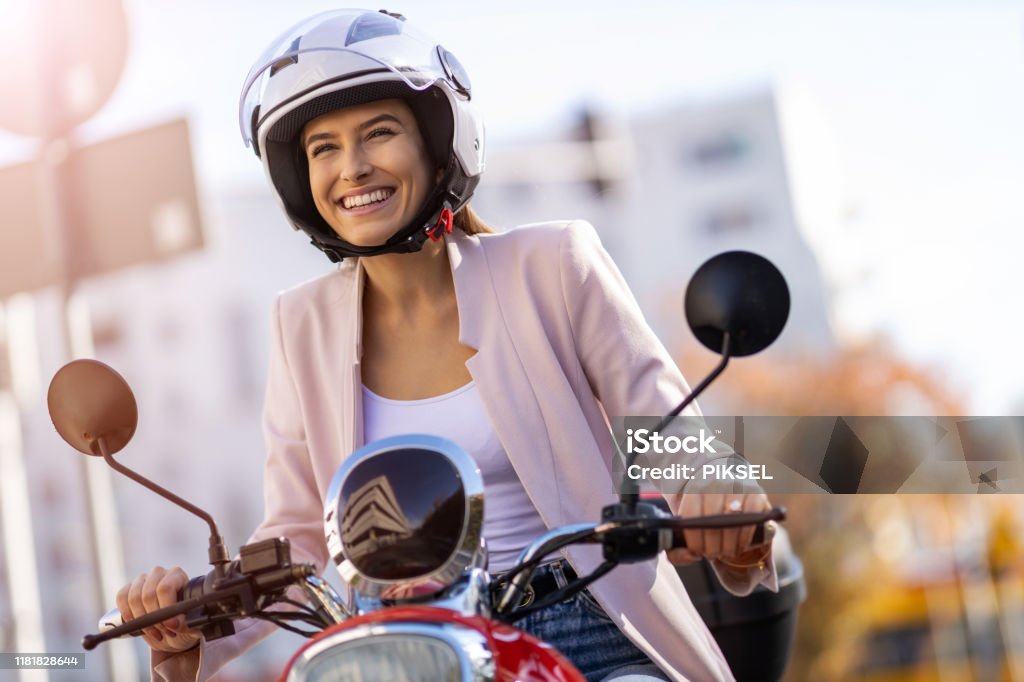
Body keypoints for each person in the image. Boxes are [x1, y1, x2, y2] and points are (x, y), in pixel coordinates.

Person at [117, 9, 778, 682]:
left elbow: (669, 436)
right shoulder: (301, 325)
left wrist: (716, 494)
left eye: (379, 133)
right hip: (405, 649)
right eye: (323, 149)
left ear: (440, 144)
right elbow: (299, 538)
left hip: (589, 626)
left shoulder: (551, 265)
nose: (353, 168)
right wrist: (191, 625)